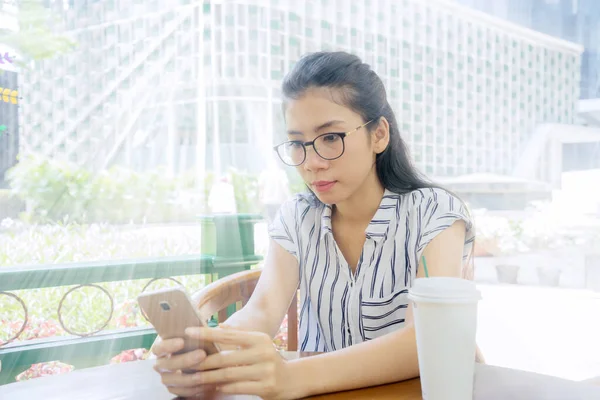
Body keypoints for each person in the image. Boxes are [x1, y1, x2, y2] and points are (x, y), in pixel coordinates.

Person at [151, 51, 476, 399]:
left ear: (379, 135)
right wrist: (209, 353)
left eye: (331, 138)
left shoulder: (436, 214)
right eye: (297, 144)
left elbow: (426, 339)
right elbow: (262, 310)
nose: (312, 163)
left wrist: (292, 377)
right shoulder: (297, 216)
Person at [257, 156, 291, 223]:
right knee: (280, 220)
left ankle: (273, 232)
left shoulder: (264, 174)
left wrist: (260, 199)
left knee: (271, 220)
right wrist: (289, 197)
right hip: (279, 200)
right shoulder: (281, 173)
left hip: (268, 201)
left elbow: (261, 188)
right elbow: (285, 187)